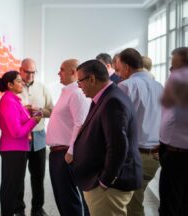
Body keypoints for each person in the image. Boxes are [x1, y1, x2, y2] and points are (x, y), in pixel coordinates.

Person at [72, 59, 142, 216]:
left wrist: (105, 181)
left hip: (109, 188)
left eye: (80, 81)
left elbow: (118, 146)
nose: (79, 86)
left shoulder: (113, 101)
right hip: (103, 183)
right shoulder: (105, 98)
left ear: (92, 79)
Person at [116, 48, 163, 216]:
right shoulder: (159, 86)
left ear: (127, 67)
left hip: (133, 156)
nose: (118, 73)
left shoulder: (125, 86)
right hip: (155, 156)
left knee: (132, 206)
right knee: (135, 201)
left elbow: (118, 125)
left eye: (119, 68)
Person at [46, 59, 90, 216]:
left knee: (69, 201)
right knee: (62, 199)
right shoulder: (67, 92)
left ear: (73, 72)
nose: (59, 72)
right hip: (57, 153)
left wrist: (71, 152)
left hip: (66, 153)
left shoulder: (77, 93)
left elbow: (80, 124)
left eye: (62, 69)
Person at [0, 71, 41, 216]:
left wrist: (29, 113)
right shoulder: (8, 101)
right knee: (10, 189)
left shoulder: (14, 99)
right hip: (12, 150)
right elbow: (16, 132)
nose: (22, 83)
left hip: (17, 149)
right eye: (18, 81)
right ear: (10, 85)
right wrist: (34, 121)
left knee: (13, 187)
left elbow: (19, 121)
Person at [16, 58, 53, 216]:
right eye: (27, 72)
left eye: (33, 72)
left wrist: (37, 112)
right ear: (20, 70)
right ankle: (19, 210)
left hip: (38, 137)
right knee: (18, 177)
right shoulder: (14, 87)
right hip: (19, 137)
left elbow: (51, 111)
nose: (31, 75)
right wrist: (23, 112)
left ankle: (37, 209)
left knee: (38, 177)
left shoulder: (42, 87)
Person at [159, 47, 188, 216]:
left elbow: (170, 114)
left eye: (173, 66)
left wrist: (162, 141)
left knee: (170, 204)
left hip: (177, 152)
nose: (171, 70)